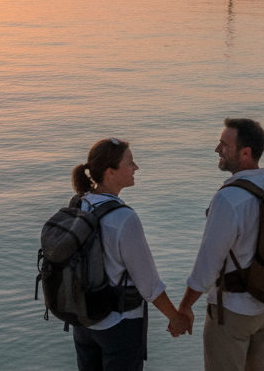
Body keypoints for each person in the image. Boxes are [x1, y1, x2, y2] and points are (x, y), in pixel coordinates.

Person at [70, 137, 189, 371]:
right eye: (130, 163)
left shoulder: (79, 204)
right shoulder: (124, 218)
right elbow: (149, 284)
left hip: (83, 322)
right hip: (118, 325)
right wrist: (175, 318)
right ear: (110, 172)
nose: (136, 168)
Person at [173, 119, 264, 371]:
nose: (217, 149)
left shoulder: (228, 198)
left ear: (245, 153)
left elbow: (207, 266)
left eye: (224, 144)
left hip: (233, 311)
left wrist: (185, 306)